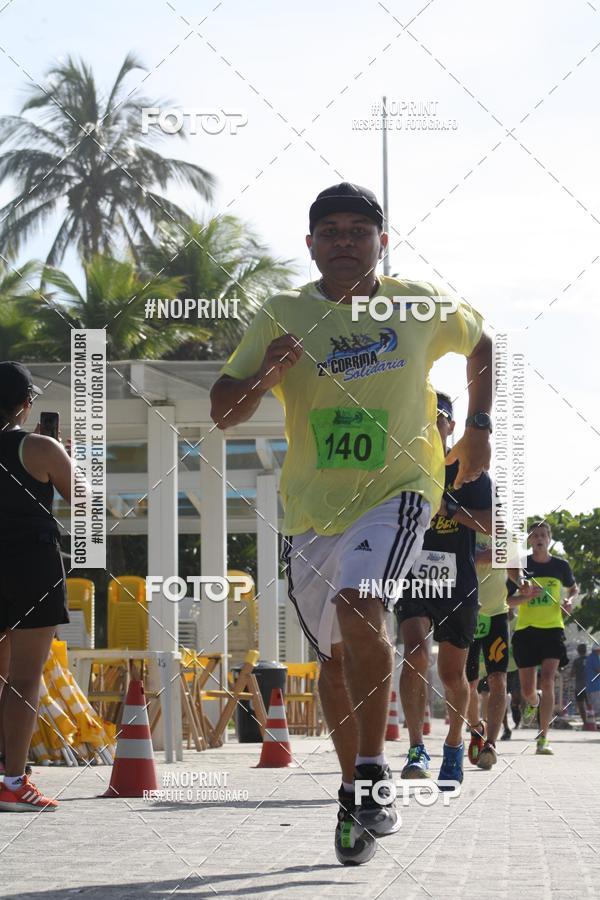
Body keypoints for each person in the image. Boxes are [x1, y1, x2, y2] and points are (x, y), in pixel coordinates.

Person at [210, 183, 492, 865]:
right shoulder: (282, 312)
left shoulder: (417, 303)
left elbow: (483, 341)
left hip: (398, 487)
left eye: (358, 230)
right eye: (329, 231)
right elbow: (223, 412)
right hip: (311, 508)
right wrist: (265, 374)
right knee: (334, 665)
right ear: (310, 245)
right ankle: (355, 794)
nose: (343, 241)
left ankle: (372, 770)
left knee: (362, 601)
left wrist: (479, 427)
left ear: (381, 242)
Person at [395, 392, 492, 788]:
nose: (435, 425)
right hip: (413, 577)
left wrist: (449, 509)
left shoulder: (472, 473)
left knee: (453, 676)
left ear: (451, 426)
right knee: (414, 653)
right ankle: (417, 746)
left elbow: (491, 524)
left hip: (457, 586)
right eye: (428, 417)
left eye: (441, 419)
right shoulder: (404, 468)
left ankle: (453, 746)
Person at [0, 362, 75, 812]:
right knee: (24, 678)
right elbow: (83, 499)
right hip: (32, 564)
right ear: (26, 405)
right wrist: (62, 455)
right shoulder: (40, 447)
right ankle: (12, 781)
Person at [510, 522, 579, 755]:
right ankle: (533, 703)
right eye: (535, 535)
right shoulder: (521, 566)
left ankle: (543, 739)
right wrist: (524, 597)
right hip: (526, 631)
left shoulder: (561, 566)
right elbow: (507, 601)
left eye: (543, 535)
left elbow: (573, 588)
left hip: (552, 629)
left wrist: (569, 601)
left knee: (548, 680)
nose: (539, 538)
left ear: (549, 539)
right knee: (528, 691)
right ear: (529, 540)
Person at [466, 538, 529, 768]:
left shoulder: (507, 535)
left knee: (498, 680)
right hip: (468, 613)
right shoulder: (465, 527)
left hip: (497, 616)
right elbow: (462, 559)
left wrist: (520, 580)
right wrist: (486, 556)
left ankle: (490, 744)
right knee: (468, 684)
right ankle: (476, 728)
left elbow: (513, 566)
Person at [571, 643, 589, 726]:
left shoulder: (576, 661)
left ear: (578, 651)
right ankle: (592, 722)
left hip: (579, 686)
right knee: (591, 705)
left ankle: (585, 723)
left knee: (581, 705)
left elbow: (572, 674)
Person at [585, 646, 600, 722]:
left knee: (592, 708)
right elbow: (598, 669)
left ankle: (592, 723)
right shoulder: (595, 657)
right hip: (595, 687)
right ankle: (597, 724)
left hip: (590, 686)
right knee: (597, 709)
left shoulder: (590, 657)